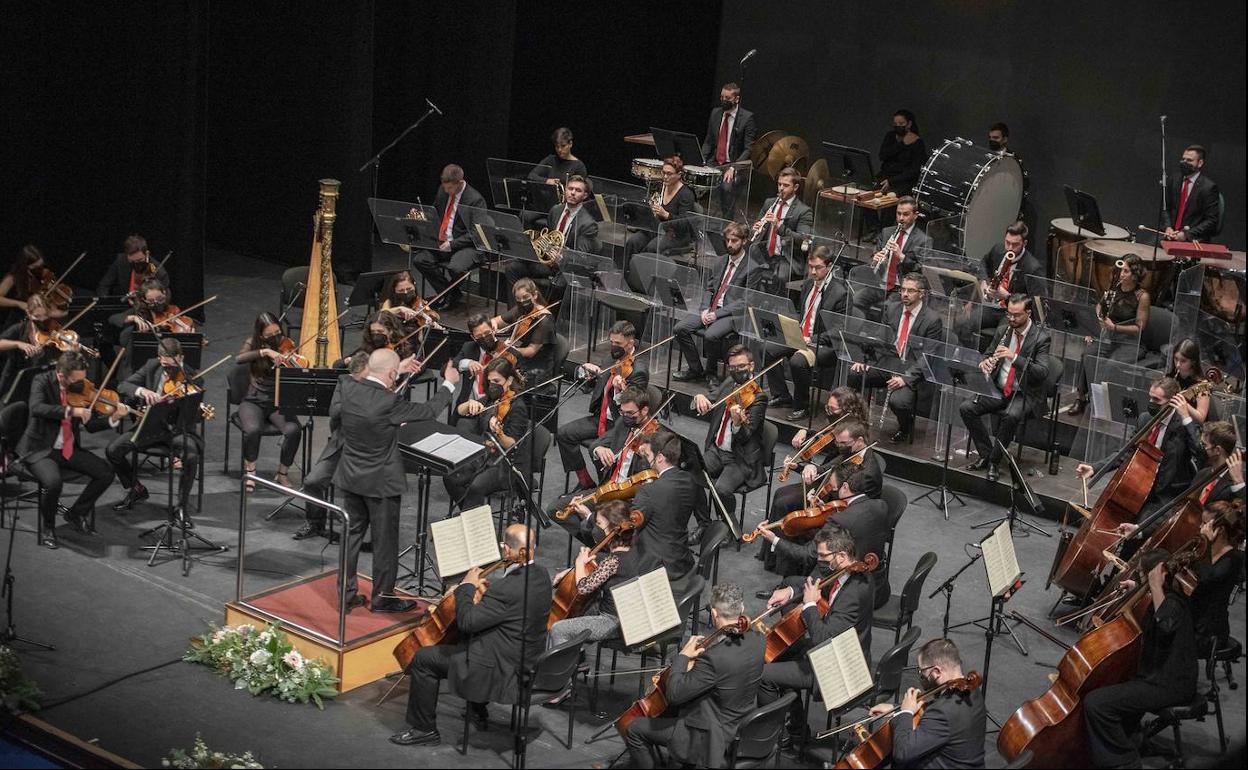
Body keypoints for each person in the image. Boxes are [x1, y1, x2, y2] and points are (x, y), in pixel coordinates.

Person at [390, 523, 550, 747]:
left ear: (507, 550)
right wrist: (485, 593)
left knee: (424, 659)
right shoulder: (542, 575)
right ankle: (477, 710)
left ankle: (423, 729)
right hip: (525, 657)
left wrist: (466, 587)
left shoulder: (505, 589)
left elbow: (466, 622)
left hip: (503, 669)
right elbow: (510, 609)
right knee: (479, 639)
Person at [333, 349, 459, 613]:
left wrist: (396, 369)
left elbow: (372, 378)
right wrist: (449, 383)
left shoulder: (347, 386)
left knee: (352, 536)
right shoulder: (388, 402)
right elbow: (428, 410)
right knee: (385, 542)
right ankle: (382, 598)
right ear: (391, 374)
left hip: (352, 476)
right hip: (381, 483)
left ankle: (346, 593)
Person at [622, 583, 765, 769]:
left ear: (714, 614)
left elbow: (674, 695)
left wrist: (682, 656)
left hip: (711, 734)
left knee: (634, 729)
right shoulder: (759, 638)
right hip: (741, 719)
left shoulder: (715, 658)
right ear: (742, 609)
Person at [758, 524, 874, 748]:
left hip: (838, 665)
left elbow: (822, 638)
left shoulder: (855, 591)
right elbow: (818, 583)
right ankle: (796, 730)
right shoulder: (842, 569)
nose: (819, 561)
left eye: (823, 556)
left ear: (841, 555)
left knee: (764, 675)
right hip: (831, 647)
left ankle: (769, 737)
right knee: (777, 654)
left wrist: (809, 604)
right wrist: (791, 592)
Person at [1083, 548, 1197, 768]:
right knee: (1115, 692)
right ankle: (1134, 740)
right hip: (1157, 678)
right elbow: (1158, 607)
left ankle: (1124, 760)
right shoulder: (1168, 596)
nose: (1142, 581)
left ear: (1157, 576)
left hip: (1168, 684)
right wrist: (1141, 587)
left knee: (1096, 704)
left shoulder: (1172, 603)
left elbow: (1165, 625)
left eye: (1144, 576)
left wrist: (1152, 586)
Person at [16, 352, 123, 549]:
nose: (80, 384)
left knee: (106, 473)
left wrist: (113, 418)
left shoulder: (79, 389)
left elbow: (90, 426)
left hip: (68, 447)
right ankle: (48, 527)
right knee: (54, 483)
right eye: (76, 380)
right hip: (41, 448)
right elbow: (37, 408)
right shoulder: (42, 381)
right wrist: (72, 411)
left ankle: (76, 513)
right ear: (62, 375)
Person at [106, 337, 204, 528]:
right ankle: (136, 488)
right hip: (149, 427)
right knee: (113, 450)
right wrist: (143, 392)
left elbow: (193, 416)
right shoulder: (152, 366)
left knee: (191, 456)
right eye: (163, 364)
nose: (167, 369)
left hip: (176, 431)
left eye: (171, 365)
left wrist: (194, 408)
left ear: (180, 357)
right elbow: (123, 386)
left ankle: (181, 507)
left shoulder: (194, 377)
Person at [759, 468, 891, 605]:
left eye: (834, 489)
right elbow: (857, 522)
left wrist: (773, 538)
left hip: (852, 594)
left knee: (790, 582)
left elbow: (807, 555)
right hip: (878, 586)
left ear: (845, 487)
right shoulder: (881, 506)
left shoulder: (840, 520)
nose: (833, 493)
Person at [1075, 377, 1199, 522]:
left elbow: (1200, 453)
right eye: (1150, 398)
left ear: (1172, 402)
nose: (1151, 403)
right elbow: (1128, 451)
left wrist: (1186, 417)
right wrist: (1095, 468)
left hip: (1164, 496)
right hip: (1139, 486)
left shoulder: (1185, 426)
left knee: (1137, 529)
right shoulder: (1145, 419)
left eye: (1157, 400)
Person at [961, 294, 1053, 481]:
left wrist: (1014, 357)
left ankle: (994, 461)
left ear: (1028, 313)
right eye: (1009, 314)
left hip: (1024, 392)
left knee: (1010, 416)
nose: (1011, 319)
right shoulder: (1003, 330)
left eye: (1016, 315)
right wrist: (985, 362)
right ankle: (987, 454)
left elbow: (1042, 372)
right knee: (966, 408)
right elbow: (986, 354)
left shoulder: (1041, 338)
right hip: (999, 388)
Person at [846, 273, 945, 443]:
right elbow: (880, 338)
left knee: (899, 402)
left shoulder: (932, 320)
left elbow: (928, 357)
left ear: (921, 293)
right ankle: (858, 419)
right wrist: (867, 360)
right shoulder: (892, 309)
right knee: (855, 374)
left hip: (910, 370)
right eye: (903, 289)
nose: (905, 294)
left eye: (911, 291)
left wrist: (905, 379)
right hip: (888, 364)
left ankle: (905, 428)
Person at [547, 500, 655, 651]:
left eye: (598, 523)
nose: (596, 527)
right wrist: (572, 570)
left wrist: (579, 563)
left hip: (614, 621)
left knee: (559, 628)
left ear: (611, 528)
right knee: (574, 612)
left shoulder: (613, 561)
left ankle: (557, 669)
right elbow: (603, 567)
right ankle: (576, 656)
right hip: (631, 615)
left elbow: (583, 588)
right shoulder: (636, 549)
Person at [552, 386, 654, 546]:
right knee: (556, 510)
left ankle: (603, 541)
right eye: (623, 412)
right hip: (607, 490)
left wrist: (645, 455)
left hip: (627, 498)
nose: (625, 417)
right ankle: (599, 545)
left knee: (590, 521)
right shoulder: (623, 423)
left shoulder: (655, 437)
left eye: (630, 413)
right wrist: (599, 449)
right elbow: (597, 444)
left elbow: (651, 479)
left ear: (644, 410)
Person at [866, 638, 987, 769]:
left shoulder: (941, 712)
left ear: (937, 672)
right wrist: (895, 709)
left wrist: (905, 713)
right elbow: (942, 710)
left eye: (922, 672)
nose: (922, 676)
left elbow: (902, 752)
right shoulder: (972, 690)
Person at [557, 320, 649, 491]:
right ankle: (585, 482)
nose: (614, 347)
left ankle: (605, 488)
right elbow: (598, 387)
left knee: (597, 450)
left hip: (621, 423)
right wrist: (587, 374)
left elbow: (634, 407)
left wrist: (620, 391)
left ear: (631, 343)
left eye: (618, 343)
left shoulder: (639, 371)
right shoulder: (610, 358)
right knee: (564, 434)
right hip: (601, 418)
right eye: (612, 342)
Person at [766, 246, 848, 419]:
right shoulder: (809, 284)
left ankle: (802, 405)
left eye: (818, 267)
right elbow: (801, 313)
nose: (812, 271)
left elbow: (838, 330)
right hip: (801, 337)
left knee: (798, 360)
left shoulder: (841, 293)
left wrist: (811, 338)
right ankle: (782, 394)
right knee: (767, 348)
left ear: (830, 266)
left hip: (824, 345)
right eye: (810, 266)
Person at [692, 345, 769, 528]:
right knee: (691, 476)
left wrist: (736, 424)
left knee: (721, 490)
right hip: (717, 449)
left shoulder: (758, 398)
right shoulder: (729, 383)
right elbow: (712, 397)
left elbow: (747, 434)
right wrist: (699, 397)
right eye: (732, 367)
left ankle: (729, 527)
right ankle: (704, 524)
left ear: (751, 366)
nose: (736, 371)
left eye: (741, 366)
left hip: (740, 458)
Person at [293, 357, 366, 542]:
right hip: (341, 444)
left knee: (363, 491)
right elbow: (334, 412)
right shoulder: (345, 382)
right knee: (312, 481)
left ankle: (362, 534)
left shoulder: (380, 386)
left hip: (368, 449)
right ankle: (316, 523)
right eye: (355, 378)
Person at [672, 222, 753, 388]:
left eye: (734, 241)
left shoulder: (752, 268)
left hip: (731, 315)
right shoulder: (720, 261)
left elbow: (745, 302)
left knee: (711, 335)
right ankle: (696, 369)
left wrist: (717, 314)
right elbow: (709, 288)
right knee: (680, 328)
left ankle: (711, 373)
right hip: (711, 309)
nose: (729, 244)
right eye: (728, 240)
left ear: (744, 241)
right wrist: (704, 309)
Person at [444, 356, 531, 511]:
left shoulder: (517, 407)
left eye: (497, 382)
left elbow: (512, 444)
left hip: (507, 463)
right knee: (450, 477)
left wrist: (499, 433)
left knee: (477, 485)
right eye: (490, 381)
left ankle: (471, 519)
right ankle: (471, 513)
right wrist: (469, 404)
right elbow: (459, 411)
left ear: (509, 380)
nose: (492, 385)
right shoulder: (492, 399)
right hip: (486, 455)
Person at [1069, 255, 1151, 416]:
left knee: (1110, 365)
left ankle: (1100, 403)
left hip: (1130, 343)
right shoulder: (1115, 288)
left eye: (1126, 271)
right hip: (1109, 337)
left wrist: (1116, 327)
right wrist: (1097, 324)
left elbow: (1140, 326)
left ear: (1135, 275)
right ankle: (1081, 397)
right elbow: (1100, 306)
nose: (1121, 274)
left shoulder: (1142, 296)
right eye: (1121, 270)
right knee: (1088, 354)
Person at [233, 313, 305, 493]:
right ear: (261, 335)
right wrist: (265, 352)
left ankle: (282, 473)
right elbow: (239, 359)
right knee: (252, 430)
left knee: (293, 430)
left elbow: (300, 368)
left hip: (278, 401)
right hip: (253, 400)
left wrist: (292, 362)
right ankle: (251, 472)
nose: (276, 338)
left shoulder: (287, 344)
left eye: (278, 332)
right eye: (270, 335)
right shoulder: (253, 343)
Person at [409, 163, 488, 310]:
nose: (446, 190)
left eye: (450, 188)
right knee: (420, 259)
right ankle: (450, 293)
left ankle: (448, 295)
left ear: (460, 182)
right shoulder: (443, 191)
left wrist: (452, 244)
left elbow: (477, 233)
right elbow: (435, 214)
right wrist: (422, 217)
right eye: (444, 187)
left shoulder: (475, 200)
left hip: (468, 246)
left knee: (456, 268)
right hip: (443, 241)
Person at [506, 174, 600, 291]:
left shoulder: (588, 224)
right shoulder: (555, 210)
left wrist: (561, 256)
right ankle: (521, 307)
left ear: (585, 196)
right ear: (565, 190)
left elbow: (580, 257)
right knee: (513, 268)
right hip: (547, 262)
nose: (572, 193)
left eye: (578, 190)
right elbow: (550, 237)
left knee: (558, 283)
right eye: (570, 189)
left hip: (564, 268)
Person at [632, 430, 700, 585]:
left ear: (660, 458)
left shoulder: (648, 491)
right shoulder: (689, 480)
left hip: (654, 565)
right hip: (680, 559)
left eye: (648, 456)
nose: (647, 460)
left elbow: (632, 524)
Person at [852, 196, 931, 317]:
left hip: (901, 288)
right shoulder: (886, 232)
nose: (901, 218)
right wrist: (876, 258)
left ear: (915, 215)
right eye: (898, 214)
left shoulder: (923, 240)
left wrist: (902, 257)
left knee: (888, 309)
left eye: (906, 214)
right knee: (856, 299)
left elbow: (923, 271)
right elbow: (873, 256)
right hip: (880, 284)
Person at [974, 221, 1043, 334]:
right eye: (1007, 242)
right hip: (992, 306)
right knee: (965, 323)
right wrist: (984, 282)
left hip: (1012, 313)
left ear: (1024, 243)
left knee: (1001, 334)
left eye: (1015, 244)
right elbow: (984, 264)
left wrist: (1007, 296)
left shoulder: (1033, 268)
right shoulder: (998, 249)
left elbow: (1036, 303)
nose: (1010, 248)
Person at [701, 82, 757, 220]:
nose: (723, 101)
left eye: (727, 98)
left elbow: (749, 148)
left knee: (726, 189)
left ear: (736, 99)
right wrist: (702, 161)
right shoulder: (715, 113)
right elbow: (709, 140)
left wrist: (733, 167)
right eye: (722, 97)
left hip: (732, 165)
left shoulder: (747, 118)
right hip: (714, 162)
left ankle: (727, 224)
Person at [748, 167, 813, 283]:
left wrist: (779, 226)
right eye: (779, 184)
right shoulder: (769, 203)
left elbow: (803, 239)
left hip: (787, 258)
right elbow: (757, 228)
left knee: (779, 277)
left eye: (786, 185)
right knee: (746, 269)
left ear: (796, 187)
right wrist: (756, 229)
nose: (781, 188)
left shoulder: (803, 211)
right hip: (765, 254)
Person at [625, 156, 697, 259]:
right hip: (656, 228)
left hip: (676, 235)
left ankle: (644, 273)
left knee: (652, 248)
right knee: (632, 242)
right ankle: (628, 273)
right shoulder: (659, 187)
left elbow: (685, 224)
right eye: (663, 173)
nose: (665, 177)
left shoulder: (686, 194)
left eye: (669, 174)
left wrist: (666, 215)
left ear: (679, 175)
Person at [490, 278, 554, 386]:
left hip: (535, 364)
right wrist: (493, 326)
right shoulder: (521, 309)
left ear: (535, 295)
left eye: (526, 297)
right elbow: (496, 320)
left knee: (496, 370)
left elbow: (531, 351)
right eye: (518, 299)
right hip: (518, 355)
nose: (522, 301)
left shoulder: (544, 320)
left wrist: (511, 350)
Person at [0, 293, 62, 401]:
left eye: (45, 315)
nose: (42, 320)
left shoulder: (54, 331)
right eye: (37, 316)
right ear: (29, 313)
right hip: (17, 381)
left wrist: (72, 350)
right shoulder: (21, 328)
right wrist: (18, 344)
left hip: (43, 384)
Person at [1164, 145, 1220, 243]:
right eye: (1183, 159)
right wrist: (1168, 227)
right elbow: (1166, 208)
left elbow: (1211, 220)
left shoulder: (1208, 187)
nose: (1184, 163)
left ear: (1200, 163)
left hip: (1193, 238)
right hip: (1170, 235)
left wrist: (1186, 234)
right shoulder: (1174, 179)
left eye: (1189, 160)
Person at [787, 387, 870, 450]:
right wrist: (804, 431)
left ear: (847, 409)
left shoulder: (852, 431)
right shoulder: (837, 418)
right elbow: (824, 433)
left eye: (833, 408)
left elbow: (837, 459)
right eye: (828, 407)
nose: (828, 411)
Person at [0, 245, 68, 322]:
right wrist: (18, 304)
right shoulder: (13, 277)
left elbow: (47, 297)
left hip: (38, 313)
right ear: (25, 266)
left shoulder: (44, 273)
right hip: (19, 316)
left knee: (63, 314)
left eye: (41, 265)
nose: (40, 270)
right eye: (35, 267)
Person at [1191, 421, 1244, 504]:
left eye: (1204, 445)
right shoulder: (1202, 474)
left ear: (1217, 450)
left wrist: (1239, 483)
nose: (1200, 448)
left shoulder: (1234, 484)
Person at [878, 110, 928, 196]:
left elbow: (914, 170)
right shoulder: (890, 136)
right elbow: (882, 156)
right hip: (885, 175)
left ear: (909, 124)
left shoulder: (917, 143)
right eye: (895, 124)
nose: (898, 126)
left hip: (903, 181)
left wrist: (892, 181)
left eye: (901, 124)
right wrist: (902, 144)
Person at [1165, 338, 1212, 423]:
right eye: (1176, 359)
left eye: (1183, 361)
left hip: (1190, 427)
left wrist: (1184, 405)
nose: (1178, 364)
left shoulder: (1202, 386)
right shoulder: (1170, 377)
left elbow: (1201, 418)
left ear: (1193, 362)